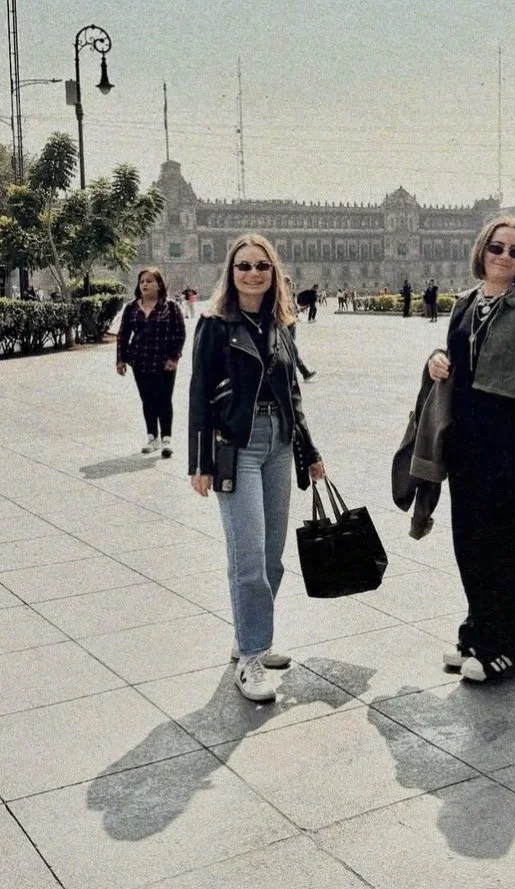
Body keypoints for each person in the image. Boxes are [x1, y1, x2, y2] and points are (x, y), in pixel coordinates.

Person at [426, 216, 515, 683]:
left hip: (510, 434)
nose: (505, 257)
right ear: (481, 251)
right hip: (466, 434)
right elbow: (451, 358)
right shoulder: (466, 303)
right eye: (497, 248)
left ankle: (506, 647)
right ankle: (476, 632)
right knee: (469, 538)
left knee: (507, 543)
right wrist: (434, 361)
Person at [188, 233, 325, 703]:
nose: (252, 273)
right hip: (237, 447)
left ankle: (250, 634)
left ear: (273, 274)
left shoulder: (283, 324)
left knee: (271, 556)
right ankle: (250, 656)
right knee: (247, 557)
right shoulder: (212, 324)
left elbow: (293, 394)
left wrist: (310, 449)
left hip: (280, 445)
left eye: (261, 266)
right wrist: (199, 461)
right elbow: (199, 396)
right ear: (231, 272)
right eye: (243, 266)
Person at [116, 267, 186, 456]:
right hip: (140, 361)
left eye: (149, 281)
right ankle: (152, 436)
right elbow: (123, 334)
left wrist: (174, 357)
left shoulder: (170, 307)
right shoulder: (131, 308)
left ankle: (166, 438)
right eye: (142, 282)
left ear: (159, 285)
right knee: (147, 399)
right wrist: (121, 359)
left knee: (164, 399)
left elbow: (180, 333)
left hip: (164, 362)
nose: (145, 284)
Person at [283, 276, 316, 382]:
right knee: (292, 350)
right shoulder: (280, 296)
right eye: (289, 284)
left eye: (291, 284)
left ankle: (295, 374)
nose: (291, 286)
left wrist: (300, 310)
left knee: (291, 351)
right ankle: (304, 372)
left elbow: (294, 310)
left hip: (292, 325)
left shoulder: (290, 296)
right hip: (285, 326)